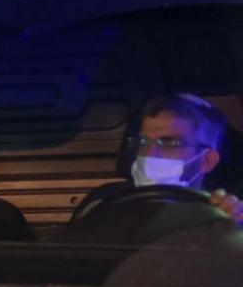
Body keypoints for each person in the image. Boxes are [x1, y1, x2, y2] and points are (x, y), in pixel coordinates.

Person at [75, 93, 243, 221]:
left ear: (207, 160)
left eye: (169, 143)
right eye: (143, 141)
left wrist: (231, 226)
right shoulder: (106, 202)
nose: (148, 153)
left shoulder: (220, 215)